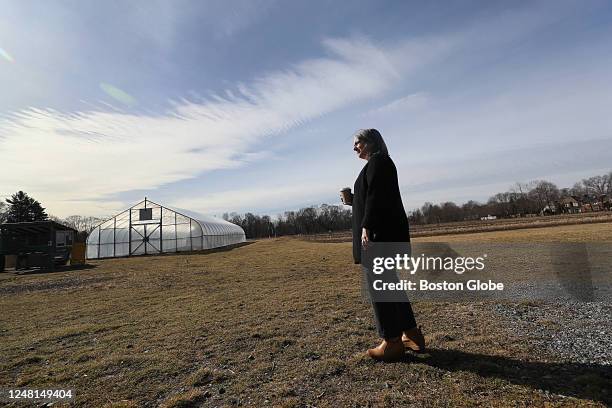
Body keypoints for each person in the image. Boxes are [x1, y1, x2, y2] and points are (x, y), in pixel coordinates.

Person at [341, 128, 425, 362]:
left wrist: (367, 226)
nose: (354, 147)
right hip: (382, 233)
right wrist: (353, 201)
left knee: (380, 288)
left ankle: (392, 342)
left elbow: (377, 197)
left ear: (370, 143)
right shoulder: (379, 164)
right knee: (392, 287)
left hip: (379, 236)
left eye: (357, 142)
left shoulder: (379, 161)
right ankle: (412, 335)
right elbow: (373, 197)